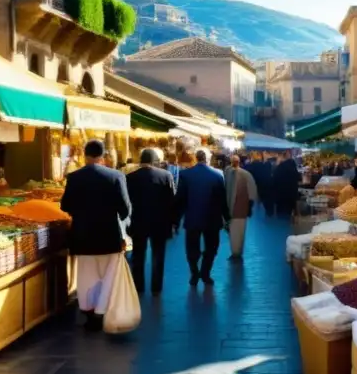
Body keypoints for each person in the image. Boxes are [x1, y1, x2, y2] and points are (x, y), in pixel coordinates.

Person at [60, 140, 132, 328]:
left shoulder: (74, 177)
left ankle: (89, 311)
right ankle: (102, 311)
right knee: (108, 276)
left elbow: (65, 205)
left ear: (85, 154)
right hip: (108, 235)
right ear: (103, 156)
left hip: (83, 236)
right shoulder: (116, 176)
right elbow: (125, 209)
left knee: (86, 276)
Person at [176, 149, 230, 286]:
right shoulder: (218, 176)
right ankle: (205, 273)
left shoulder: (185, 175)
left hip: (192, 218)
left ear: (195, 158)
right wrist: (227, 218)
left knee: (191, 248)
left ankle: (194, 274)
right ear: (208, 159)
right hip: (212, 220)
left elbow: (180, 199)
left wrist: (175, 219)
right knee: (211, 248)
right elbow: (222, 200)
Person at [125, 148, 176, 294]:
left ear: (141, 161)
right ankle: (156, 288)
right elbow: (172, 200)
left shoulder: (130, 177)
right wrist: (172, 222)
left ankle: (138, 287)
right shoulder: (165, 175)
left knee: (138, 256)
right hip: (160, 223)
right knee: (158, 256)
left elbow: (126, 201)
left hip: (138, 221)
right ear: (155, 161)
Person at [224, 155, 259, 260]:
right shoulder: (245, 175)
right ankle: (237, 252)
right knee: (239, 232)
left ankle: (236, 252)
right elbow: (253, 192)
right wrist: (250, 206)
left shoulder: (228, 174)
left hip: (234, 209)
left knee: (235, 232)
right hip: (240, 210)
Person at [273, 151, 301, 216]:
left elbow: (274, 181)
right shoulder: (292, 165)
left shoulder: (278, 168)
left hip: (281, 197)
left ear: (280, 156)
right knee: (287, 215)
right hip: (291, 196)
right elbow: (298, 178)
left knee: (282, 217)